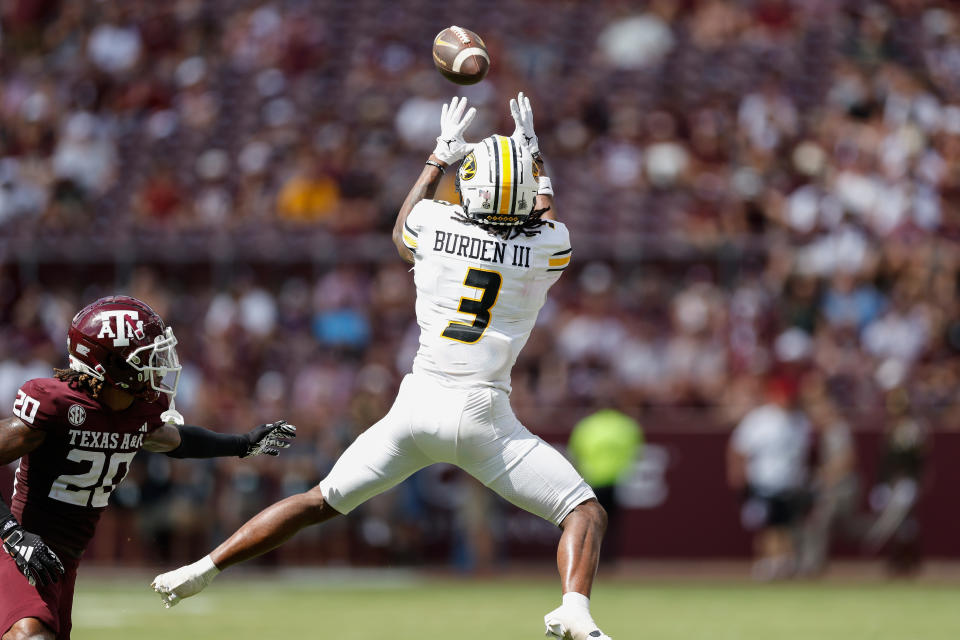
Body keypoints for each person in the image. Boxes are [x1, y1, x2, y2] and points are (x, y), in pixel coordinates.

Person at [151, 93, 614, 640]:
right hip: (483, 414)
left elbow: (401, 231)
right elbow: (544, 218)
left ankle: (203, 568)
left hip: (414, 409)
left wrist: (439, 156)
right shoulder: (547, 245)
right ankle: (574, 609)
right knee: (582, 510)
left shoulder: (436, 225)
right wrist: (535, 161)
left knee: (317, 501)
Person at [1, 296, 296, 640]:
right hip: (19, 551)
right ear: (108, 364)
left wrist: (243, 444)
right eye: (144, 357)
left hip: (63, 562)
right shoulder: (57, 406)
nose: (158, 365)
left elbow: (174, 440)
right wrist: (12, 533)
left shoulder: (136, 411)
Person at [727, 378, 811, 580]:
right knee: (767, 526)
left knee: (786, 525)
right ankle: (769, 563)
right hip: (763, 481)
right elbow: (738, 448)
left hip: (789, 483)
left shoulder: (799, 421)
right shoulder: (759, 419)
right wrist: (738, 475)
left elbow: (803, 454)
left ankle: (784, 563)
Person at [568, 408, 643, 563]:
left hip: (592, 481)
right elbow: (636, 452)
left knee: (591, 522)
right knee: (612, 523)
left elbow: (575, 453)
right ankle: (609, 558)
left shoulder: (586, 425)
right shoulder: (626, 425)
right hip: (616, 480)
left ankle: (591, 558)